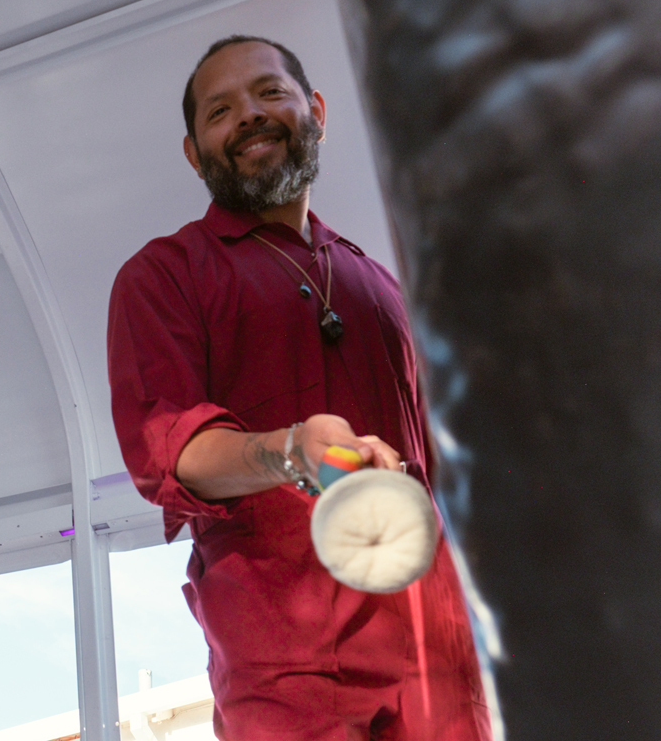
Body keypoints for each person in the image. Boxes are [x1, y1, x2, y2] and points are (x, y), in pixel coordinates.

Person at [107, 36, 490, 741]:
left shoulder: (382, 285)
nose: (249, 115)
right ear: (195, 153)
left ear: (314, 111)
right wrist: (290, 450)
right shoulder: (162, 275)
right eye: (220, 110)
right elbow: (167, 451)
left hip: (433, 648)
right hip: (285, 653)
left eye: (270, 93)